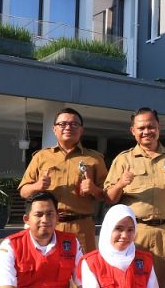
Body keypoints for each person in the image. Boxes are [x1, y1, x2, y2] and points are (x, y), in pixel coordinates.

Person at [104, 107, 165, 288]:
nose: (146, 132)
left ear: (158, 127)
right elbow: (109, 199)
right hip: (136, 233)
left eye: (151, 127)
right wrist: (121, 183)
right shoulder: (123, 160)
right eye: (141, 128)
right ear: (133, 131)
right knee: (134, 285)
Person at [19, 107, 106, 256]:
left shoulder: (95, 159)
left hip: (82, 227)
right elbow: (23, 192)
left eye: (74, 124)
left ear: (81, 129)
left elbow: (107, 195)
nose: (68, 127)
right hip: (49, 226)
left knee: (83, 274)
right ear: (54, 129)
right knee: (49, 274)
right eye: (62, 124)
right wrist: (37, 186)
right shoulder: (41, 157)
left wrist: (93, 189)